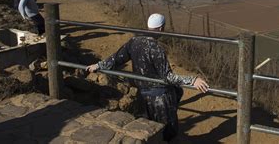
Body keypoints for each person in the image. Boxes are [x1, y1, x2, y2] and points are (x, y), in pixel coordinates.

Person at [86, 13, 209, 141]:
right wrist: (192, 80)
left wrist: (98, 65)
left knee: (148, 130)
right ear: (161, 29)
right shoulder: (156, 49)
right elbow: (167, 77)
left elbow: (116, 59)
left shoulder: (134, 42)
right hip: (160, 98)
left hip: (142, 95)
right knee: (168, 132)